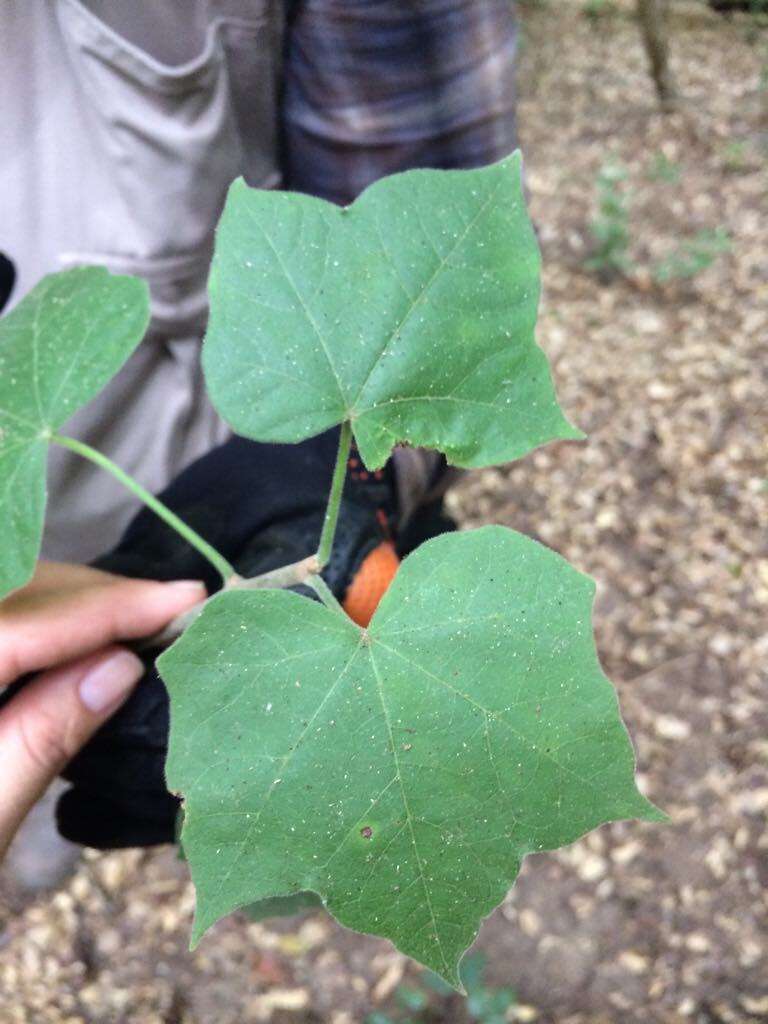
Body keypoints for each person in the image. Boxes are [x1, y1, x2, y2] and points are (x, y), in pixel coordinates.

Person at [0, 1, 519, 859]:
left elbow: (448, 287)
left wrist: (344, 465)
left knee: (296, 824)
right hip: (65, 675)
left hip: (168, 601)